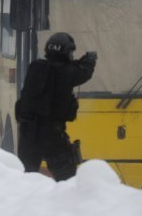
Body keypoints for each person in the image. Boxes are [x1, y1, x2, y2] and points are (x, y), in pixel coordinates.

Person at [15, 32, 97, 181]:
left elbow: (59, 69)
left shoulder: (35, 67)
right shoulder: (67, 72)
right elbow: (83, 73)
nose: (71, 56)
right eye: (70, 53)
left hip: (28, 134)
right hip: (51, 134)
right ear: (65, 52)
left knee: (25, 178)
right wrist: (90, 60)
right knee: (67, 178)